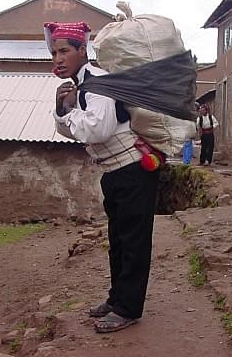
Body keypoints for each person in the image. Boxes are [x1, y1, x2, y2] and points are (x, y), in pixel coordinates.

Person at [44, 21, 161, 333]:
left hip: (134, 169)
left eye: (65, 50)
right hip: (113, 172)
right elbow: (69, 130)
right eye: (54, 52)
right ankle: (116, 299)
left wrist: (69, 111)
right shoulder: (80, 87)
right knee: (118, 241)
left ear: (83, 50)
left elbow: (99, 129)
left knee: (133, 242)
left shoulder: (98, 82)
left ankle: (128, 309)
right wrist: (62, 109)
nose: (58, 58)